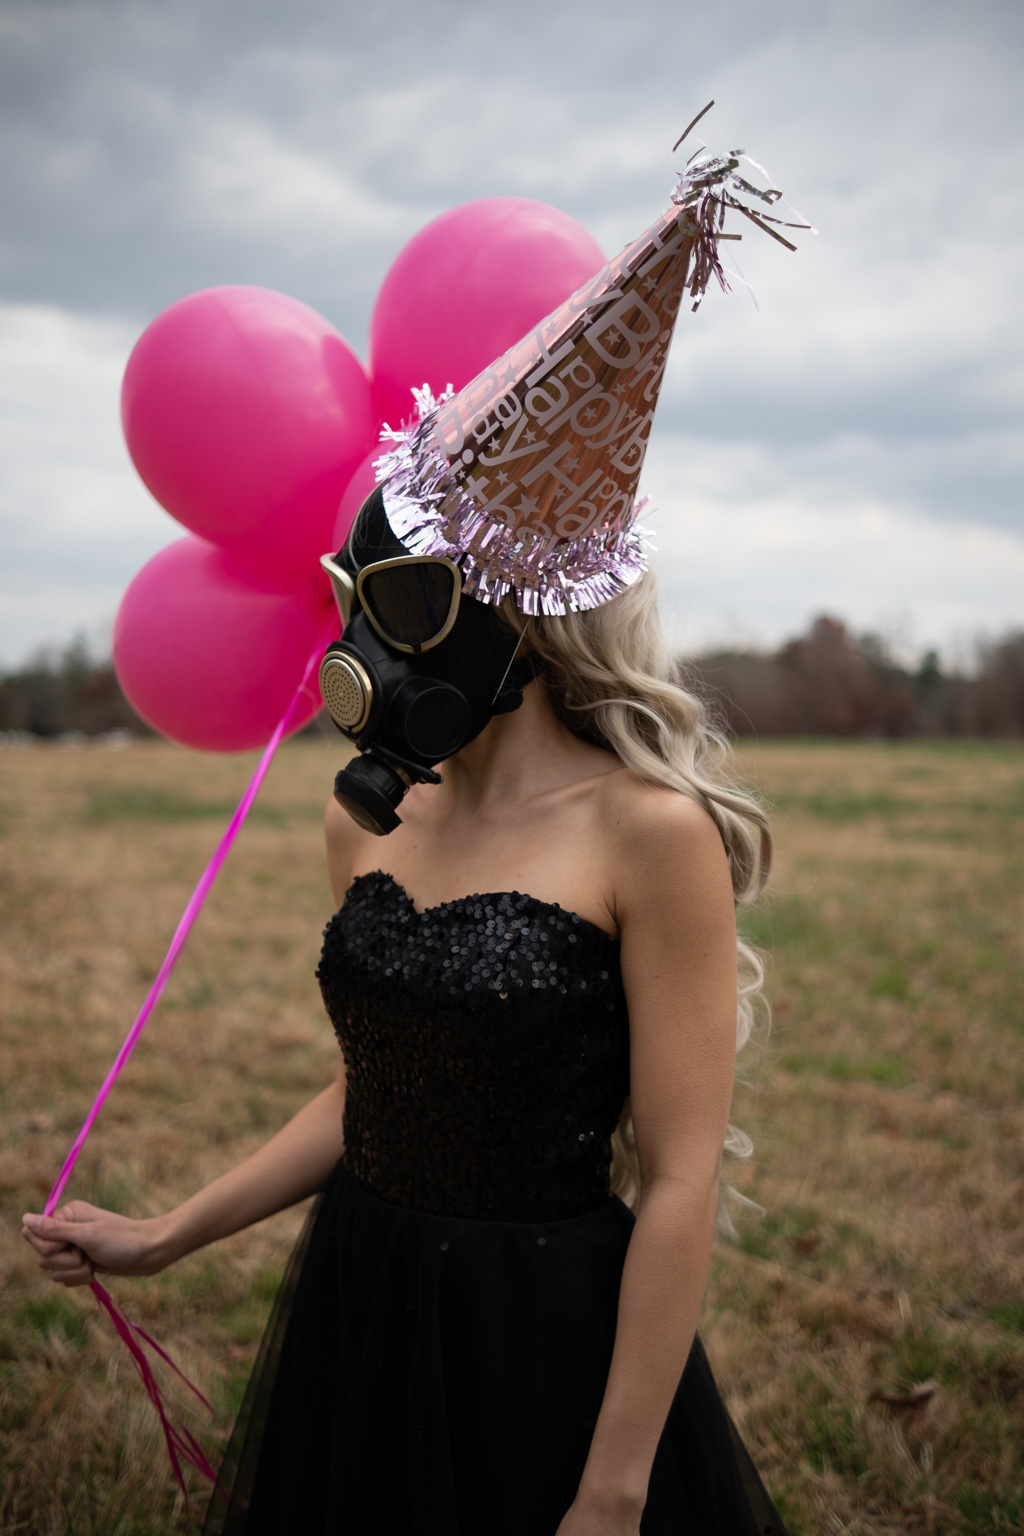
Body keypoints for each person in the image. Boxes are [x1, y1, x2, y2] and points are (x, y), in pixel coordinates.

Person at [23, 148, 794, 1534]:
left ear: (519, 612)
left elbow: (679, 1178)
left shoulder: (647, 835)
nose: (366, 641)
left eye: (405, 600)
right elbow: (374, 1097)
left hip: (546, 1337)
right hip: (365, 1299)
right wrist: (167, 1231)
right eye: (359, 594)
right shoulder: (366, 816)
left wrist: (614, 1493)